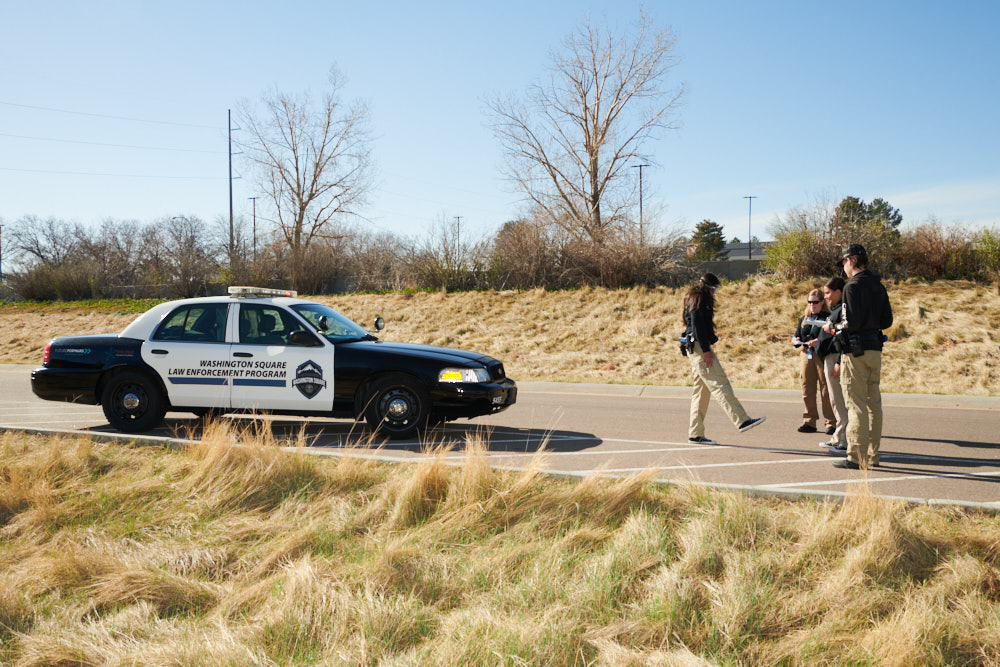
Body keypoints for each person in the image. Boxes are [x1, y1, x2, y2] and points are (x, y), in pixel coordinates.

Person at [828, 244, 893, 470]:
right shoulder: (878, 286)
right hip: (875, 349)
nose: (844, 267)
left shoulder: (851, 287)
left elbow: (850, 322)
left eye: (844, 262)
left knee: (855, 404)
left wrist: (833, 326)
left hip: (856, 352)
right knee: (874, 403)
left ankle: (856, 456)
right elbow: (887, 321)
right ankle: (873, 455)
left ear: (851, 261)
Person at [682, 273, 766, 445]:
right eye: (714, 288)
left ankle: (695, 433)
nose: (715, 292)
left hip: (695, 346)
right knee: (720, 384)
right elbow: (697, 325)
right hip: (699, 347)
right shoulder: (699, 299)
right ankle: (742, 420)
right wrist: (706, 350)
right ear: (706, 287)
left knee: (701, 392)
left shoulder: (694, 297)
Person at [792, 288, 835, 434]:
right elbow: (798, 335)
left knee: (826, 390)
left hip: (821, 355)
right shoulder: (804, 318)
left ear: (822, 302)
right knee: (807, 388)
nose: (812, 305)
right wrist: (796, 340)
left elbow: (830, 335)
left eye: (815, 302)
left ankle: (831, 423)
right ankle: (809, 421)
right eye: (809, 302)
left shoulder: (828, 317)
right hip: (806, 354)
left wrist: (818, 341)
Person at [816, 276, 848, 453]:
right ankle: (838, 437)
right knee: (835, 400)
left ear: (838, 292)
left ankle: (844, 440)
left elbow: (844, 337)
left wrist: (839, 361)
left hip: (835, 358)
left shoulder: (844, 310)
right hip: (829, 357)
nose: (826, 296)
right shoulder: (836, 309)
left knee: (839, 400)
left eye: (828, 293)